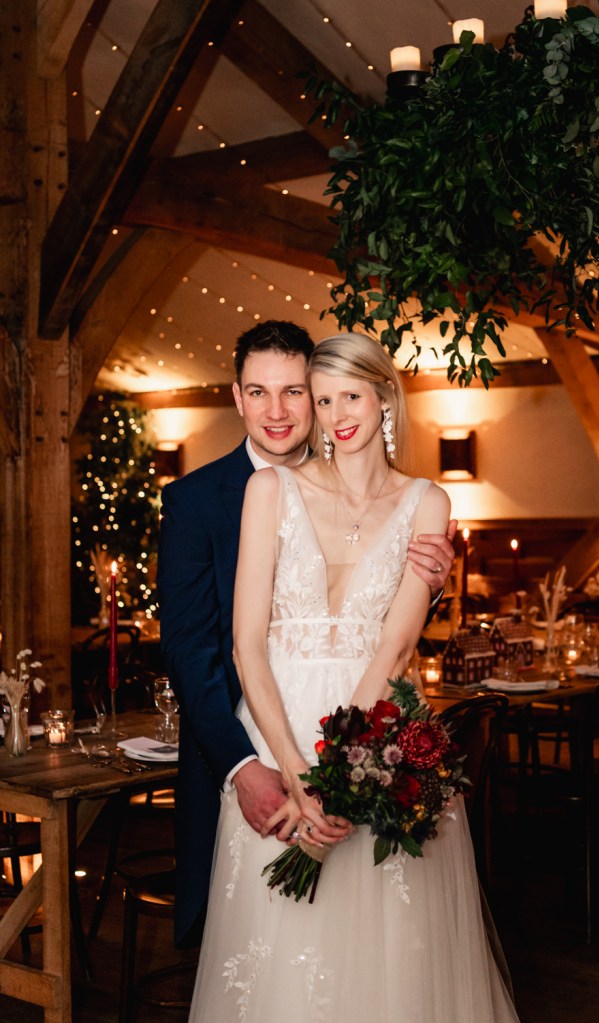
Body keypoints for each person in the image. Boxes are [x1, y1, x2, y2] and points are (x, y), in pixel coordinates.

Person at [188, 332, 519, 1022]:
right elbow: (246, 643)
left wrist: (344, 771)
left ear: (383, 398)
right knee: (276, 946)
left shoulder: (427, 503)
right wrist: (296, 772)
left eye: (351, 396)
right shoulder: (269, 488)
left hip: (379, 731)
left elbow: (395, 649)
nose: (336, 413)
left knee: (389, 951)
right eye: (324, 397)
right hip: (280, 729)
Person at [158, 321, 455, 949]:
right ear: (237, 398)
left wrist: (428, 585)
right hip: (256, 743)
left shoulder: (417, 499)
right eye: (260, 392)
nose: (280, 410)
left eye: (297, 391)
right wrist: (254, 767)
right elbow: (196, 651)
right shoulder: (203, 498)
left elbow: (388, 635)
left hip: (368, 733)